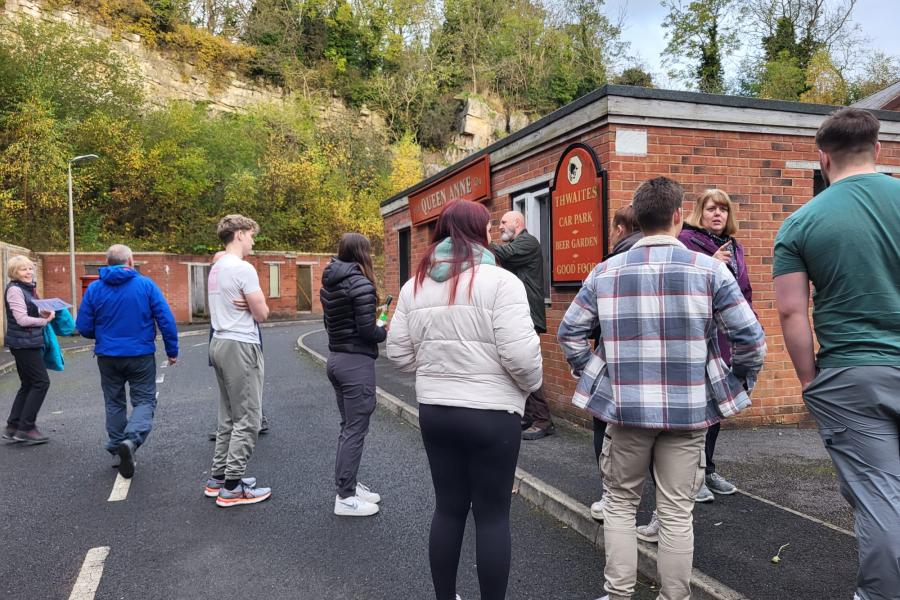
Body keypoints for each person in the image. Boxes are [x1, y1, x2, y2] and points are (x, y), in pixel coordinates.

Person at [558, 177, 766, 600]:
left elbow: (570, 333)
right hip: (689, 413)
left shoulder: (605, 271)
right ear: (677, 216)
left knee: (619, 504)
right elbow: (751, 340)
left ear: (637, 218)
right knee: (676, 512)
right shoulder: (710, 270)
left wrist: (595, 373)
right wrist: (736, 381)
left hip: (625, 411)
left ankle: (618, 595)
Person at [387, 200, 542, 600]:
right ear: (480, 233)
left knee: (448, 509)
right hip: (492, 414)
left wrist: (438, 364)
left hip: (436, 412)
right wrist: (528, 387)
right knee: (492, 517)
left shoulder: (414, 285)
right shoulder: (501, 281)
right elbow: (522, 358)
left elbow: (399, 355)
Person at [774, 107, 900, 600]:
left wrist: (809, 381)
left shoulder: (802, 222)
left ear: (822, 158)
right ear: (880, 151)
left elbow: (791, 313)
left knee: (878, 499)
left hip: (852, 373)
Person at [633, 188, 755, 540]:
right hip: (694, 338)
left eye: (723, 209)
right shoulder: (685, 243)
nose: (717, 214)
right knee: (688, 415)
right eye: (711, 208)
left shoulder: (736, 247)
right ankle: (690, 478)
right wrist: (714, 265)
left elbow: (744, 293)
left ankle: (707, 469)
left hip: (726, 335)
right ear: (693, 212)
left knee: (714, 408)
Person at [76, 245, 179, 478]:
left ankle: (116, 450)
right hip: (140, 355)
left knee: (114, 402)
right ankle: (131, 441)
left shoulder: (94, 289)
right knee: (144, 400)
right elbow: (165, 319)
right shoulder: (146, 285)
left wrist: (103, 336)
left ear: (107, 262)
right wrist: (172, 350)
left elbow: (83, 326)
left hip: (107, 357)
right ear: (130, 261)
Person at [204, 214, 272, 507]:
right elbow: (263, 314)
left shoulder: (217, 268)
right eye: (252, 235)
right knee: (249, 418)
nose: (253, 241)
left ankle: (218, 478)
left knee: (228, 416)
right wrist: (255, 303)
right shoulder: (243, 269)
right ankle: (232, 487)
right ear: (241, 233)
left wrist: (249, 302)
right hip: (241, 345)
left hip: (218, 341)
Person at [321, 233, 387, 517]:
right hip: (355, 364)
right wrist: (382, 325)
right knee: (354, 430)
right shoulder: (361, 284)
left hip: (335, 359)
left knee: (347, 426)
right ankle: (345, 498)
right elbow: (367, 331)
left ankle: (348, 484)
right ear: (363, 253)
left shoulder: (330, 281)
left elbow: (332, 322)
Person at [590, 205, 641, 521]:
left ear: (620, 228)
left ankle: (611, 496)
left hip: (617, 367)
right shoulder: (691, 263)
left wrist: (586, 367)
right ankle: (660, 518)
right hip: (670, 379)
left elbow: (577, 327)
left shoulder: (609, 268)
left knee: (605, 425)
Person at [490, 210, 553, 440]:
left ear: (518, 223)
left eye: (504, 222)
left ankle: (543, 420)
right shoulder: (521, 243)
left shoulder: (528, 242)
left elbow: (504, 254)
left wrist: (483, 239)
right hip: (519, 313)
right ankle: (529, 416)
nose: (500, 227)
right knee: (516, 366)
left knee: (526, 365)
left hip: (527, 314)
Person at [206, 250, 269, 441]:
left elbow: (261, 312)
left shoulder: (239, 273)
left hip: (241, 342)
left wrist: (251, 304)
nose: (215, 269)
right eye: (213, 266)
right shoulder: (220, 279)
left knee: (244, 388)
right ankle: (231, 433)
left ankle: (255, 422)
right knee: (234, 389)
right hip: (222, 340)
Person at [3, 255, 55, 445]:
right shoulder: (15, 290)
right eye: (23, 269)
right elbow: (21, 319)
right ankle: (26, 428)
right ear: (14, 273)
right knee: (41, 382)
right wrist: (45, 320)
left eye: (30, 268)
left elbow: (30, 311)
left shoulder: (27, 289)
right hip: (24, 344)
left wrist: (44, 311)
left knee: (27, 384)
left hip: (26, 342)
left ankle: (13, 427)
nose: (29, 272)